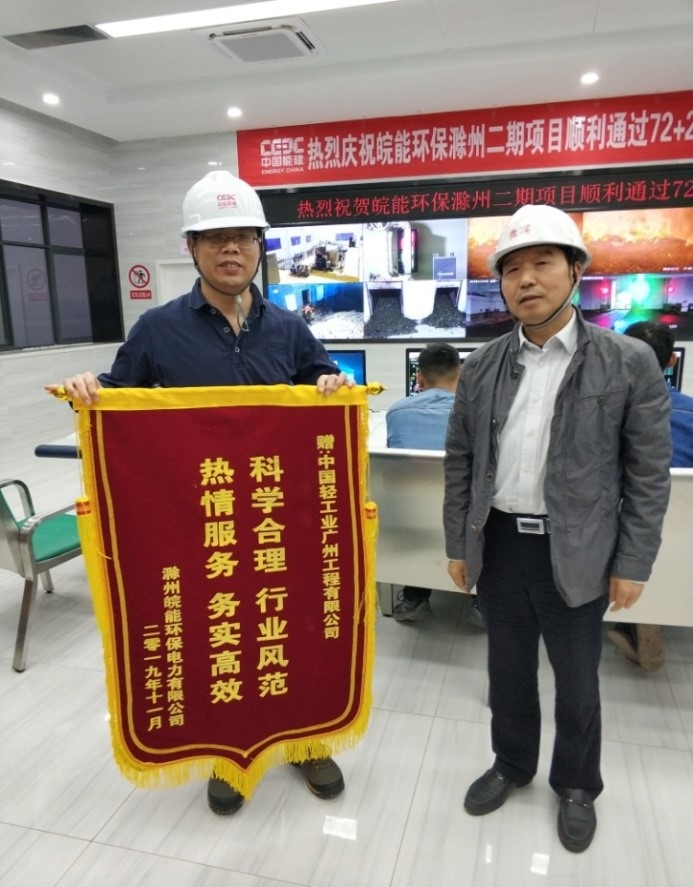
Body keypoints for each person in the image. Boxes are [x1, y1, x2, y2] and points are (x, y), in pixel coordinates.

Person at [46, 170, 352, 817]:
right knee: (220, 640)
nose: (230, 249)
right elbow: (119, 401)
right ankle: (228, 755)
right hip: (202, 524)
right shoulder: (157, 330)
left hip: (278, 521)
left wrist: (330, 383)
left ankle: (304, 743)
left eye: (242, 236)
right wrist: (89, 389)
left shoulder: (288, 327)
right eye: (214, 238)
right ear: (191, 247)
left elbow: (323, 377)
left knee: (291, 631)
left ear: (260, 246)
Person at [442, 205, 671, 853]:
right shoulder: (482, 365)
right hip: (500, 545)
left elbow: (647, 474)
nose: (525, 279)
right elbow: (460, 460)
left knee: (576, 680)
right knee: (507, 671)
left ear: (574, 271)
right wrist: (459, 544)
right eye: (511, 268)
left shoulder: (626, 362)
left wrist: (633, 561)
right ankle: (511, 763)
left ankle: (575, 783)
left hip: (579, 548)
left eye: (542, 262)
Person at [607, 321, 693, 671]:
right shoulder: (689, 411)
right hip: (681, 542)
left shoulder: (598, 413)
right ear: (672, 361)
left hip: (607, 538)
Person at [386, 343, 483, 628]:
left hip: (411, 518)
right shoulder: (477, 412)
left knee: (420, 504)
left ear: (419, 378)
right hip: (467, 517)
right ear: (460, 375)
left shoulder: (396, 412)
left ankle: (414, 598)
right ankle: (481, 601)